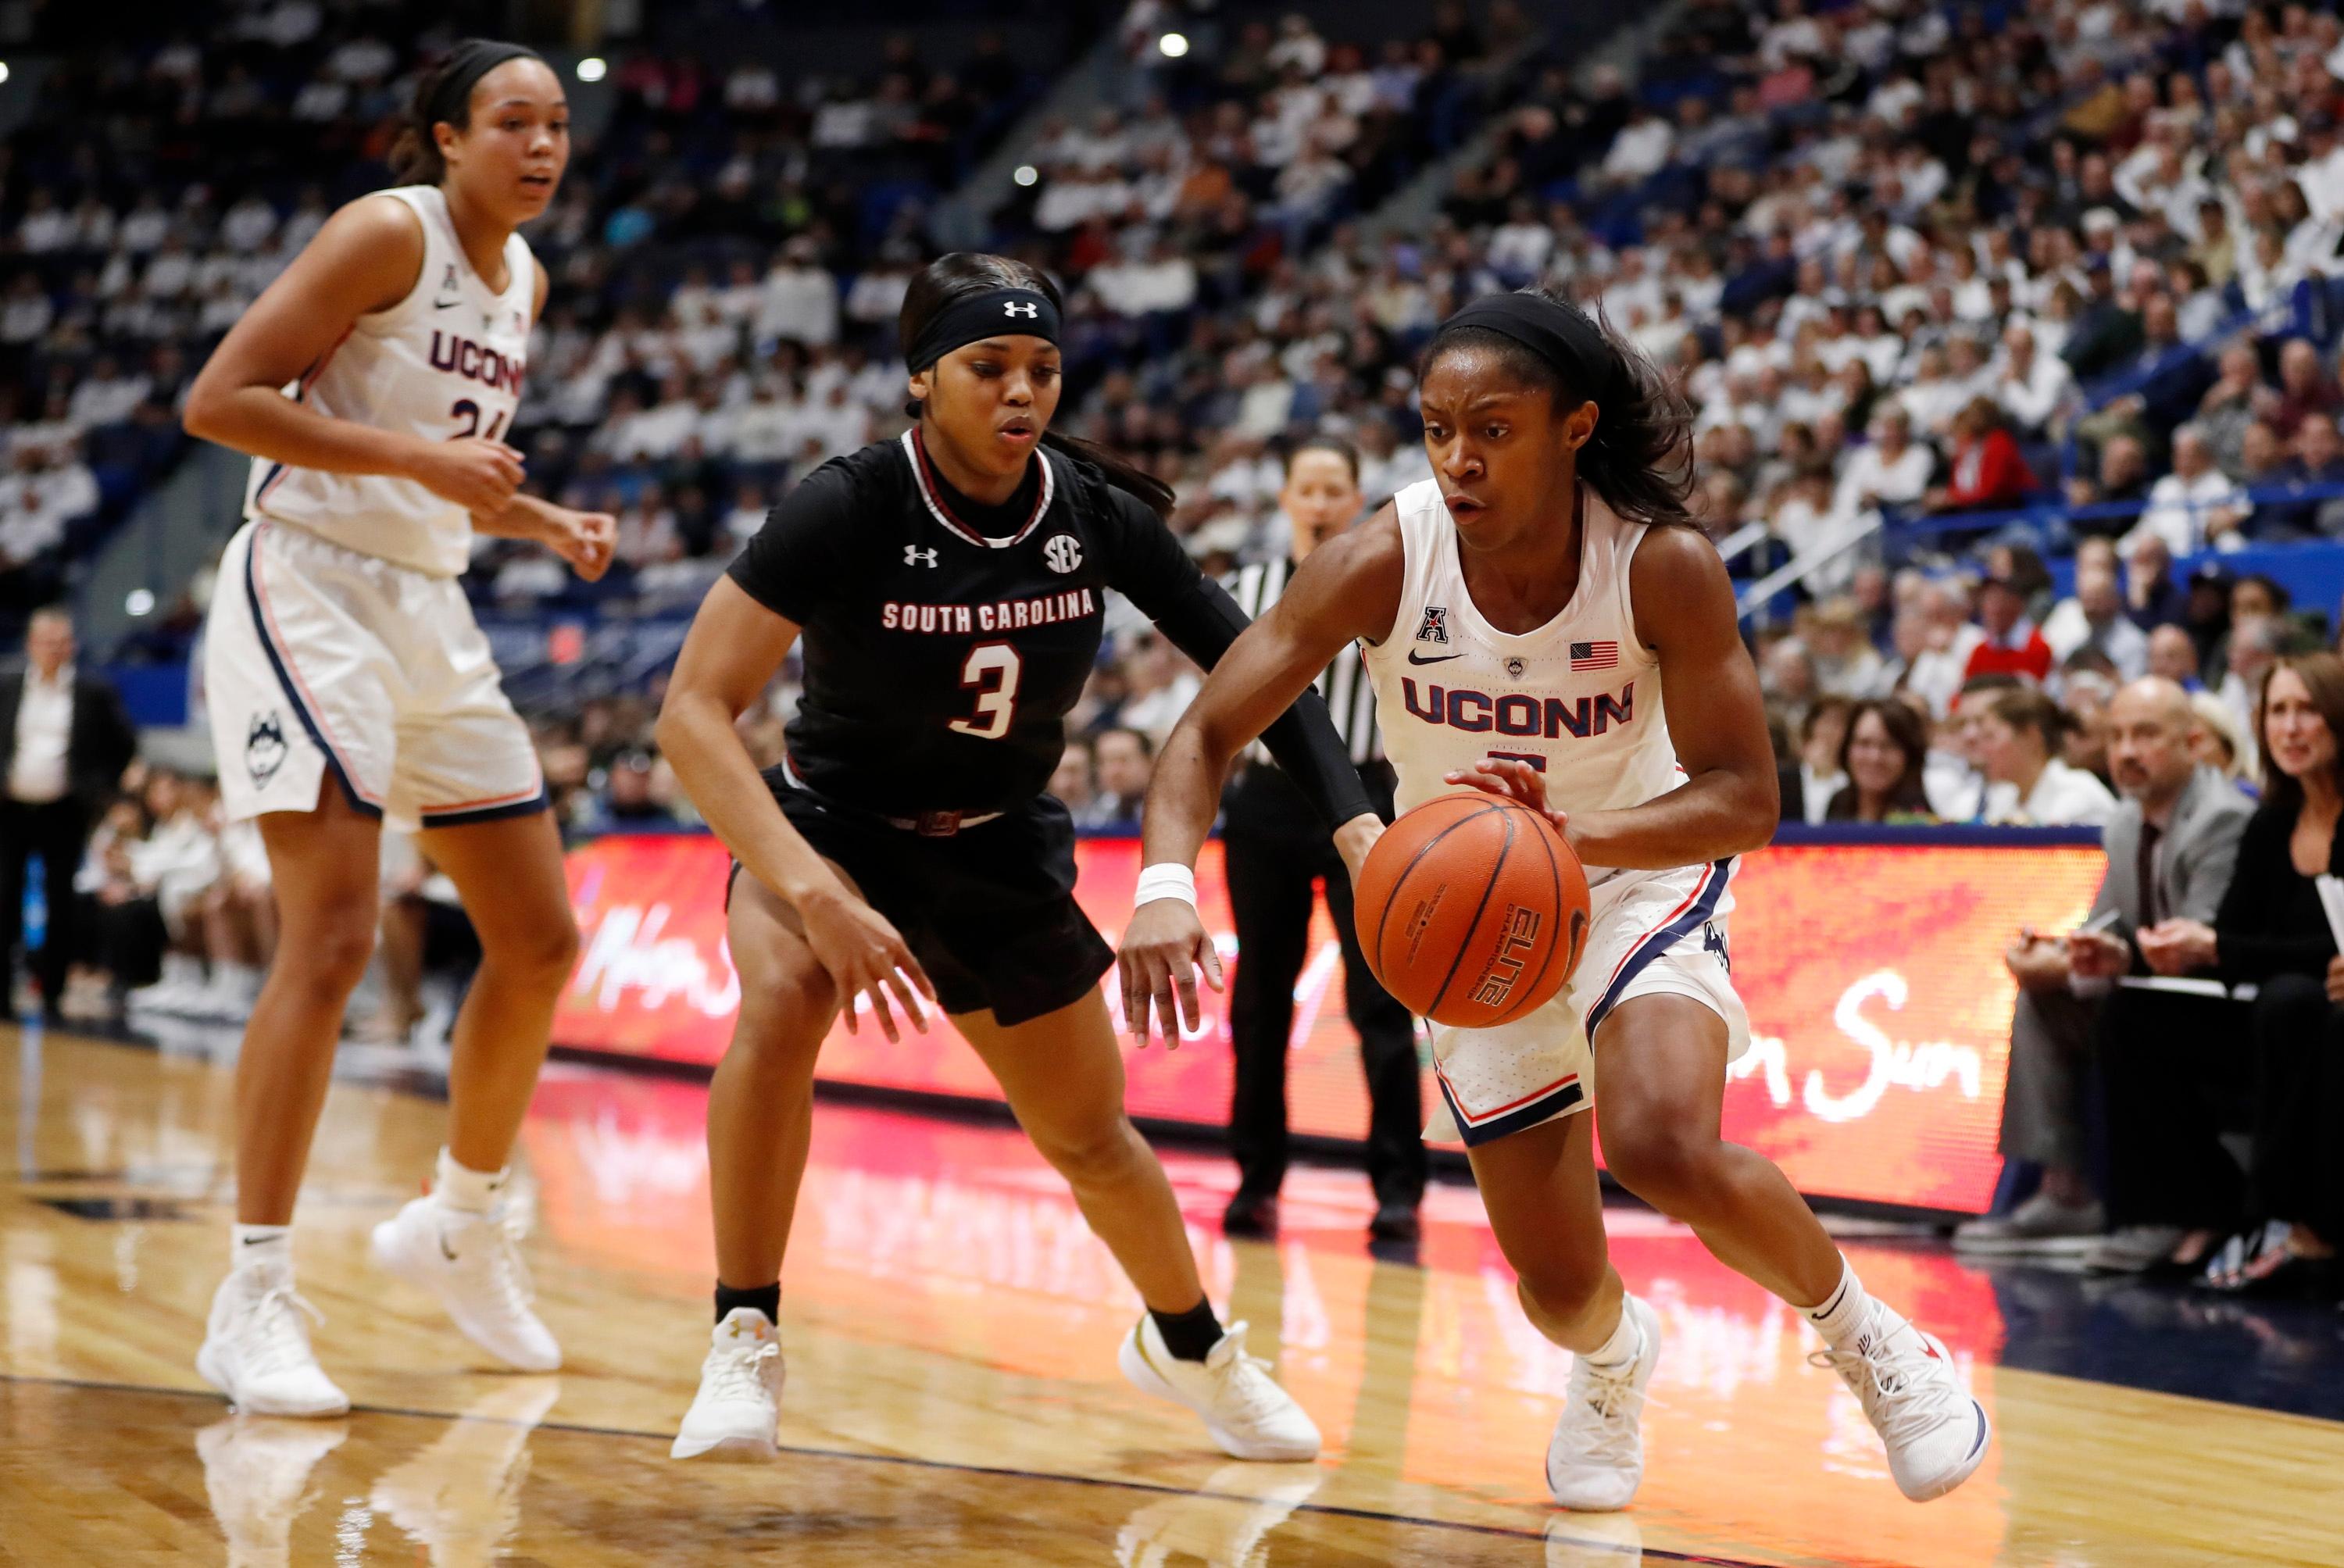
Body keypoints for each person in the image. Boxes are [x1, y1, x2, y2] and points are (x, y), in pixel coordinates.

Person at [1120, 289, 1987, 1514]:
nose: (1458, 458)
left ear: (1576, 426)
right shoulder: (1385, 554)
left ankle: (1870, 1339)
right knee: (1556, 1285)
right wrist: (1163, 886)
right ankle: (1612, 1355)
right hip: (1475, 902)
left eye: (1492, 428)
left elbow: (1746, 795)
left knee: (1657, 1139)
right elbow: (1207, 729)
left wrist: (1573, 835)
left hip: (1636, 866)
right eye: (1434, 429)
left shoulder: (1660, 564)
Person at [654, 252, 1374, 1465]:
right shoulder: (847, 504)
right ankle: (744, 1330)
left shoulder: (1090, 512)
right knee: (779, 1005)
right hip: (831, 827)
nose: (1021, 391)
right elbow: (689, 711)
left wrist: (1357, 820)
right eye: (990, 367)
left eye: (1042, 368)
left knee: (1091, 1133)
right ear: (924, 378)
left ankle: (1190, 1344)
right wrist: (816, 892)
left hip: (995, 847)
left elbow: (1261, 662)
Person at [179, 40, 617, 1416]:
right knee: (336, 936)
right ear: (442, 137)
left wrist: (538, 516)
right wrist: (429, 464)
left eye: (556, 126)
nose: (540, 147)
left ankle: (458, 1222)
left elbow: (450, 469)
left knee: (541, 937)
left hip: (427, 601)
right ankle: (251, 1295)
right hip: (304, 582)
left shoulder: (525, 281)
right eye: (511, 123)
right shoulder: (387, 231)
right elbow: (220, 403)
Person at [1954, 679, 2249, 1263]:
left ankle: (2164, 1210)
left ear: (2192, 740)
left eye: (2146, 734)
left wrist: (2106, 960)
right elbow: (2110, 927)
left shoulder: (2224, 817)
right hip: (2149, 993)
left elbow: (2201, 945)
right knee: (2043, 997)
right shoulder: (2124, 821)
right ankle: (2065, 1192)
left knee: (2135, 1014)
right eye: (2116, 736)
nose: (2127, 751)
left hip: (2221, 1007)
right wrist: (2059, 957)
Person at [1220, 437, 1424, 1241]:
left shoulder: (1389, 587)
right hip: (1267, 801)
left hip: (1368, 796)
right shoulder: (1246, 589)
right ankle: (1256, 1179)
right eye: (1305, 487)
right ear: (1285, 500)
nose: (1318, 501)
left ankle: (1398, 1188)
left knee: (1381, 1000)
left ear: (1355, 498)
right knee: (1259, 1002)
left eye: (1333, 488)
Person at [2135, 654, 2344, 1295]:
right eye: (2276, 711)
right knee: (2137, 1016)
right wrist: (2195, 948)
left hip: (2311, 1013)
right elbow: (2236, 938)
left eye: (2307, 709)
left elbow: (2248, 947)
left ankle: (2296, 1227)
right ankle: (2196, 1210)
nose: (2290, 727)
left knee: (2294, 1004)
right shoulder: (2270, 821)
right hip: (2277, 1010)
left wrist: (2223, 947)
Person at [0, 607, 134, 1021]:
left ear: (72, 644)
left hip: (64, 810)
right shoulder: (6, 683)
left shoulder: (94, 691)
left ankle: (54, 993)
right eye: (47, 641)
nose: (56, 649)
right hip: (11, 809)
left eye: (63, 641)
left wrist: (95, 790)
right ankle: (3, 993)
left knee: (62, 902)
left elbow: (124, 745)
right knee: (4, 899)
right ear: (31, 644)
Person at [1976, 687, 2118, 827]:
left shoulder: (2079, 796)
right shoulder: (2002, 798)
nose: (1983, 750)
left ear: (2030, 736)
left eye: (1991, 737)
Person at [1824, 698, 1935, 823]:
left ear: (1910, 755)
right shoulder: (1839, 804)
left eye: (1889, 745)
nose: (1875, 757)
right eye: (1864, 743)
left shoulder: (1919, 820)